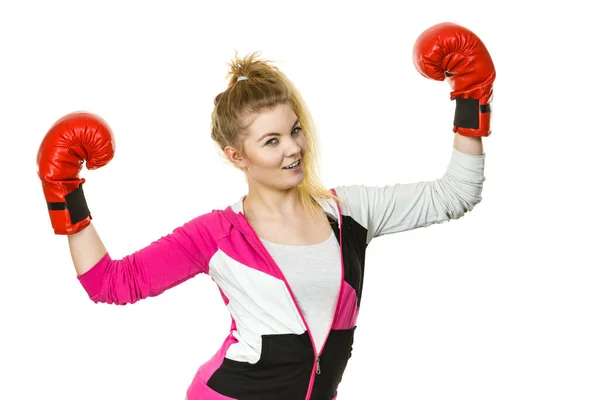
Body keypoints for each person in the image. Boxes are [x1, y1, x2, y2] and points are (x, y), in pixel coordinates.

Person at [36, 22, 494, 400]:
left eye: (295, 131)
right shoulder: (216, 235)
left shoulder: (350, 213)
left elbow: (455, 195)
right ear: (238, 156)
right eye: (271, 141)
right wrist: (65, 194)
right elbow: (111, 284)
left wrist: (471, 96)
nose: (293, 149)